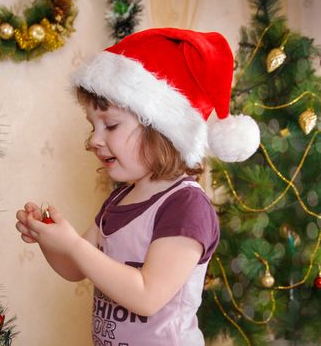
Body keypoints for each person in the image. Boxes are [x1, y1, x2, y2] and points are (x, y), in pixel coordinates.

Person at [15, 28, 260, 346]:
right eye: (93, 126)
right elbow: (76, 268)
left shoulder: (185, 206)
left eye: (111, 125)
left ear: (161, 130)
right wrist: (50, 240)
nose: (93, 140)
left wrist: (73, 244)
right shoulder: (119, 199)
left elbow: (147, 295)